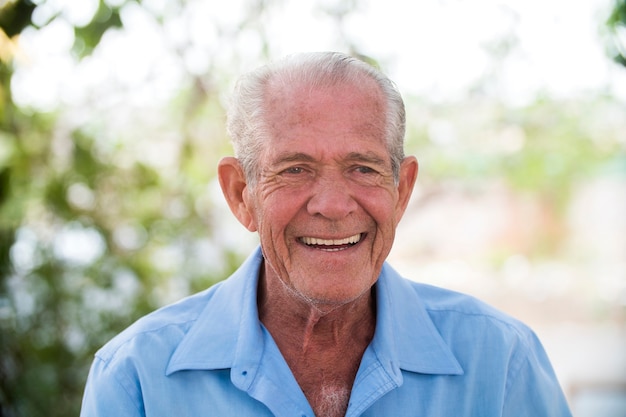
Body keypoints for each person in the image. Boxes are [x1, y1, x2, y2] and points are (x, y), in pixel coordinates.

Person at [80, 52, 573, 417]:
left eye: (363, 168)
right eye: (295, 170)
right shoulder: (137, 377)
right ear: (240, 194)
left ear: (401, 192)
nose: (334, 206)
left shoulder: (501, 361)